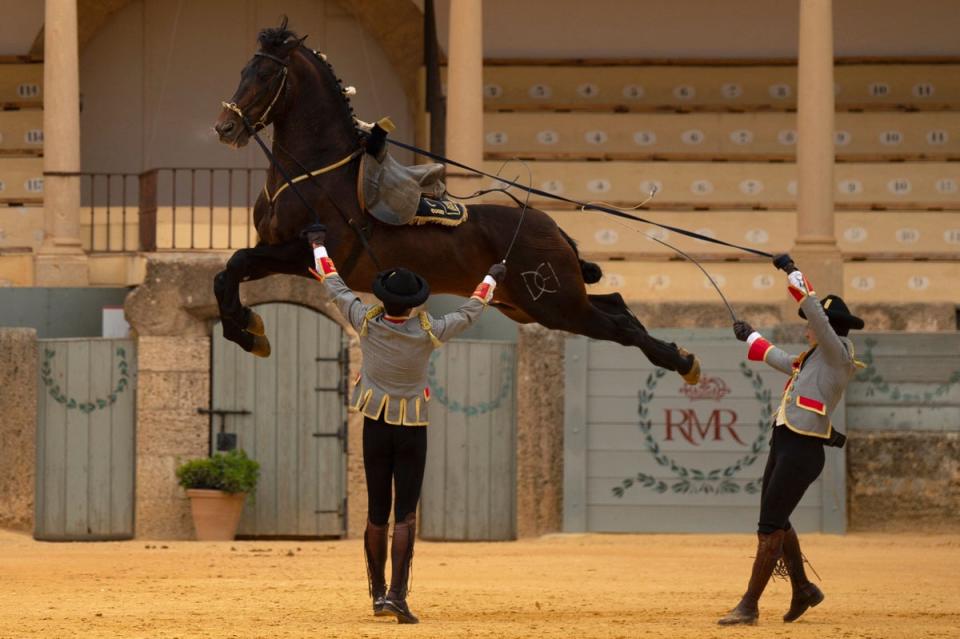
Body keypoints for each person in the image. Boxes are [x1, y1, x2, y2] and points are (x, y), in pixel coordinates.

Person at [306, 224, 504, 624]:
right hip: (412, 427)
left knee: (377, 512)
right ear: (414, 303)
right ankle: (398, 594)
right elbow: (471, 310)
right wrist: (491, 278)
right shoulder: (428, 332)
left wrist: (318, 244)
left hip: (375, 424)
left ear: (383, 298)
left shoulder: (365, 321)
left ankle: (378, 594)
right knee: (406, 514)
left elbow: (333, 282)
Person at [718, 254, 864, 626]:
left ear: (828, 327)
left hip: (802, 447)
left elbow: (814, 313)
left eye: (813, 326)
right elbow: (783, 360)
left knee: (769, 526)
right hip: (786, 442)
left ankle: (749, 605)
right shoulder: (817, 356)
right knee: (776, 519)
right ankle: (802, 589)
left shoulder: (837, 352)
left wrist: (792, 272)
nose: (806, 330)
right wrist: (750, 336)